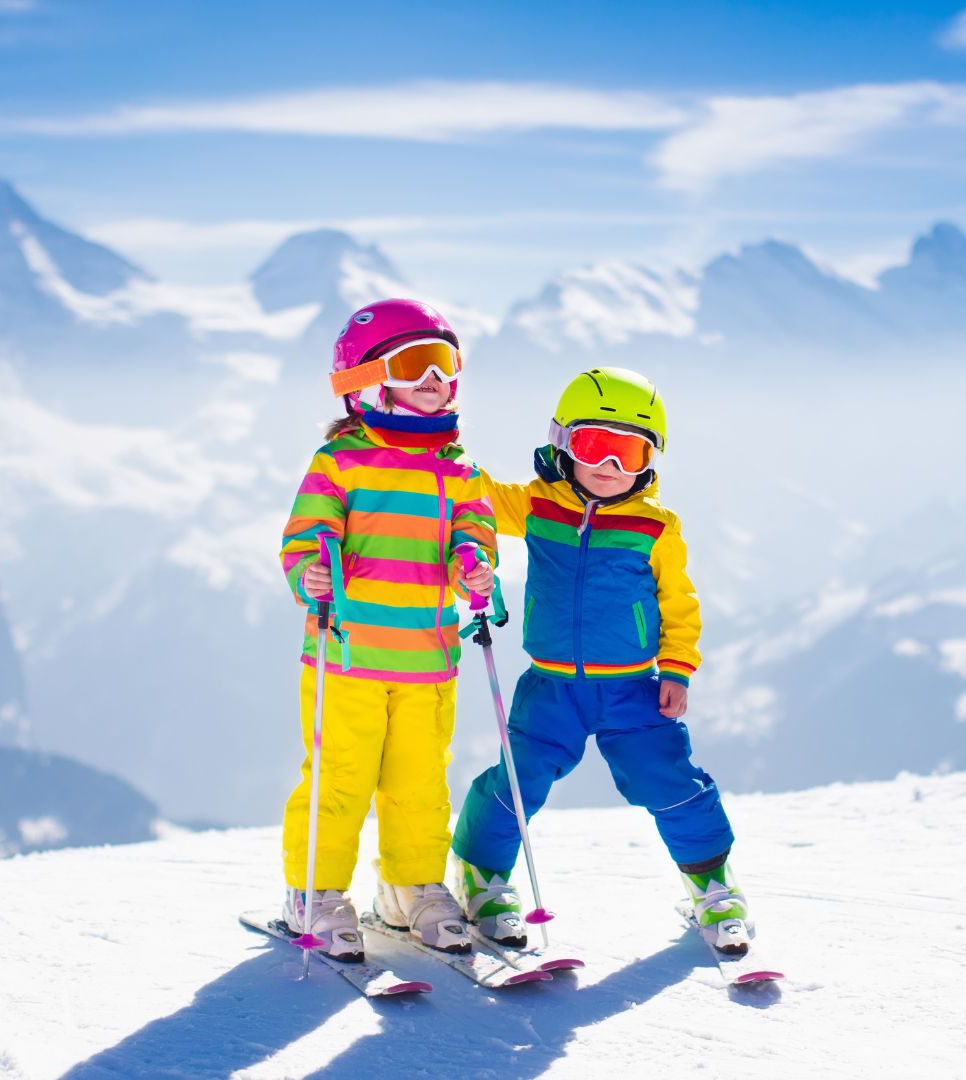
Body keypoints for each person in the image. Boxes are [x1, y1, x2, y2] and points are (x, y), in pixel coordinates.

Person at [451, 367, 754, 954]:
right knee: (520, 779)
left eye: (629, 452)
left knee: (668, 778)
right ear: (564, 443)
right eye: (595, 446)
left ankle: (714, 887)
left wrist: (677, 668)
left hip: (633, 689)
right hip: (551, 688)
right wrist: (441, 450)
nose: (610, 466)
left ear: (650, 460)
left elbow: (679, 602)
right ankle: (482, 877)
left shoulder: (655, 526)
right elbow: (475, 493)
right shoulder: (538, 505)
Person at [279, 298, 497, 958]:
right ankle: (314, 892)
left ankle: (412, 888)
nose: (433, 378)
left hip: (427, 662)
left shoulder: (461, 471)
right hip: (347, 657)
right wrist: (311, 572)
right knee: (339, 780)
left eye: (443, 363)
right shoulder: (340, 462)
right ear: (370, 378)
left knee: (419, 785)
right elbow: (305, 537)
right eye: (414, 364)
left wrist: (474, 566)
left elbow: (475, 535)